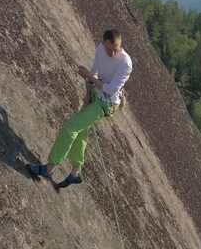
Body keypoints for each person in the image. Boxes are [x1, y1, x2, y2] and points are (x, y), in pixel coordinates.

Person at [28, 29, 133, 189]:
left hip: (106, 104)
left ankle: (48, 169)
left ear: (119, 46)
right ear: (104, 43)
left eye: (114, 49)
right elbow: (94, 73)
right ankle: (75, 173)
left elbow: (110, 89)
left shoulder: (125, 63)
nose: (110, 52)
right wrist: (87, 94)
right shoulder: (100, 49)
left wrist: (89, 77)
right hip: (94, 94)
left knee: (70, 129)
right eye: (108, 48)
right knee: (80, 132)